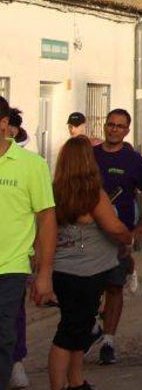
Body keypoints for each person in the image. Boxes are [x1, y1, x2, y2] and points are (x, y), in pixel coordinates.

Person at [49, 138, 132, 390]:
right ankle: (59, 385)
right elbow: (114, 227)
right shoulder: (92, 193)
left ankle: (76, 381)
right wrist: (129, 237)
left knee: (79, 328)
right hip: (87, 272)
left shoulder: (55, 190)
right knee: (69, 332)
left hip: (63, 270)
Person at [93, 108, 142, 366]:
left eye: (120, 126)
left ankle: (108, 340)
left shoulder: (132, 160)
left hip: (119, 237)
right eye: (110, 124)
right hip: (90, 233)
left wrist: (139, 228)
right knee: (90, 288)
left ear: (127, 131)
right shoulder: (92, 156)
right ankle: (92, 327)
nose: (114, 129)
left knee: (114, 286)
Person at [0, 99, 55, 390]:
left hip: (10, 268)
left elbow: (46, 218)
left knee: (3, 338)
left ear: (4, 124)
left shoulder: (32, 165)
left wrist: (44, 273)